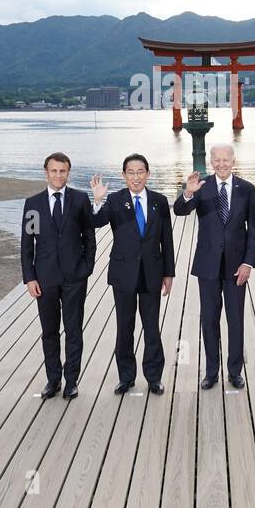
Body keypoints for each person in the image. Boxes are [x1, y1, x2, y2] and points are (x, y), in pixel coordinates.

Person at [174, 144, 255, 389]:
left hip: (236, 267)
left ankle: (234, 372)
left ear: (234, 160)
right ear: (211, 162)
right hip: (208, 265)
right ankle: (211, 371)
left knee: (235, 319)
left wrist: (248, 262)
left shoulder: (247, 189)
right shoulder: (201, 187)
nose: (221, 164)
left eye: (226, 159)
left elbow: (253, 230)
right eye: (217, 160)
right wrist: (188, 194)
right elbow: (180, 211)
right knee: (209, 319)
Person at [91, 154, 174, 395]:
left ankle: (154, 377)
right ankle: (126, 377)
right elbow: (98, 221)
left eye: (140, 172)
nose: (136, 177)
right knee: (124, 327)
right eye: (131, 172)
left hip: (152, 273)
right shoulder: (115, 200)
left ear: (148, 174)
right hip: (123, 274)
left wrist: (168, 273)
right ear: (123, 175)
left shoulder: (159, 200)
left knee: (151, 327)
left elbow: (166, 241)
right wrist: (97, 201)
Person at [21, 153, 97, 400]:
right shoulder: (33, 204)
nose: (58, 175)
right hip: (45, 279)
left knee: (73, 329)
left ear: (68, 172)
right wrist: (30, 278)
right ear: (46, 172)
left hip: (75, 277)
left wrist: (86, 268)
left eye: (62, 171)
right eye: (53, 171)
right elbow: (27, 245)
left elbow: (89, 237)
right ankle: (53, 380)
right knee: (49, 331)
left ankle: (72, 381)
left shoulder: (80, 199)